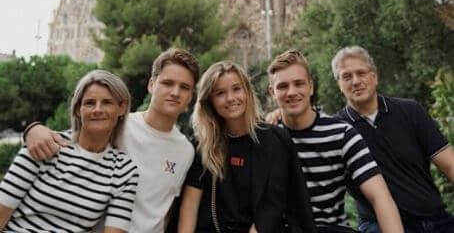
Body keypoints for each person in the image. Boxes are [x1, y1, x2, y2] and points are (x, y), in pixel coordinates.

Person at [23, 48, 200, 233]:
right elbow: (62, 142)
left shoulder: (186, 151)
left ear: (190, 95)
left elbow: (168, 209)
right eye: (167, 83)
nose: (175, 92)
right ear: (151, 84)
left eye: (184, 87)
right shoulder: (116, 124)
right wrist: (31, 130)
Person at [267, 50, 404, 233]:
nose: (292, 92)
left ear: (311, 86)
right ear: (272, 93)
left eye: (299, 83)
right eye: (283, 86)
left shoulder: (342, 134)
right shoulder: (267, 138)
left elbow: (380, 198)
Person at [178, 61, 316, 233]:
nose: (230, 98)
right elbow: (190, 205)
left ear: (247, 91)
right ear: (210, 101)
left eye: (236, 89)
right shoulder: (203, 145)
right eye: (220, 93)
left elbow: (272, 205)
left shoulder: (274, 139)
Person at [332, 46, 454, 233]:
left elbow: (450, 165)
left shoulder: (410, 111)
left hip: (436, 221)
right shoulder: (335, 130)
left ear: (374, 76)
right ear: (339, 84)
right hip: (378, 226)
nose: (356, 81)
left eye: (361, 73)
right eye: (347, 77)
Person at [0, 69, 138, 232]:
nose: (97, 110)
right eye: (89, 103)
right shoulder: (45, 144)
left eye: (107, 102)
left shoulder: (124, 170)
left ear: (121, 108)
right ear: (78, 109)